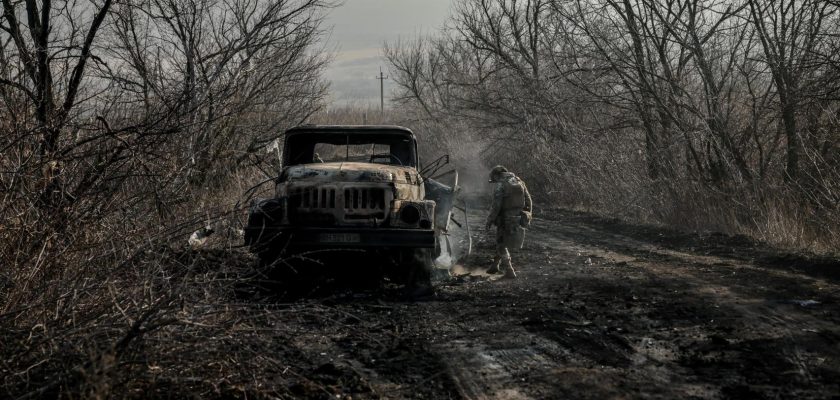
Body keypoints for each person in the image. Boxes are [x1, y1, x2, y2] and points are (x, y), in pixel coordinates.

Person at [485, 165, 532, 279]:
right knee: (502, 241)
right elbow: (529, 200)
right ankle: (495, 265)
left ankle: (509, 270)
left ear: (497, 175)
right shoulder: (519, 181)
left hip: (505, 218)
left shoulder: (501, 185)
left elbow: (496, 206)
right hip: (519, 216)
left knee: (501, 244)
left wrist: (489, 220)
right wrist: (528, 214)